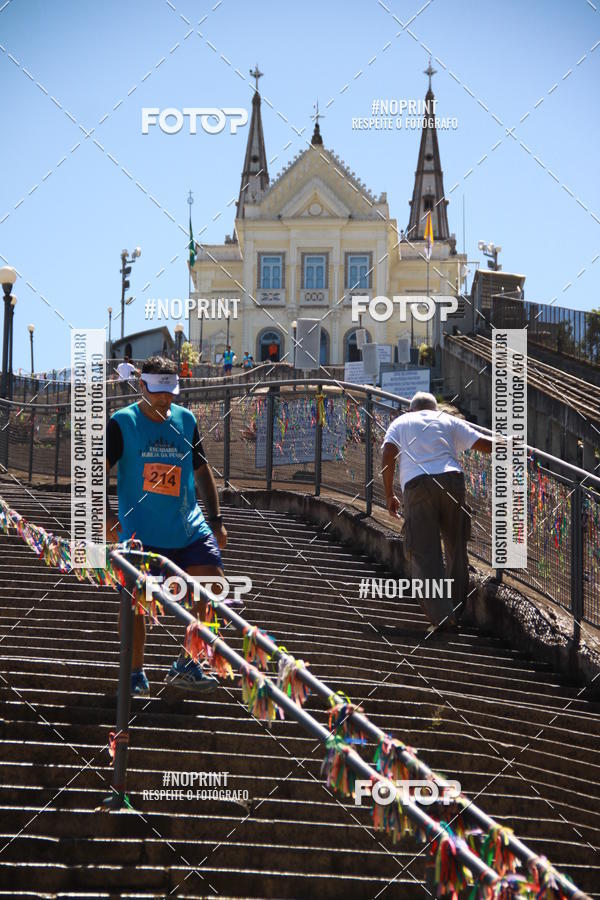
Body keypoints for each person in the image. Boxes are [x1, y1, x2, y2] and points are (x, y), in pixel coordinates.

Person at [105, 355, 228, 697]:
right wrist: (104, 515)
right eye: (157, 391)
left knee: (212, 587)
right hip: (140, 533)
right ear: (141, 386)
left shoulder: (186, 421)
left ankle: (189, 664)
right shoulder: (122, 423)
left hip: (188, 526)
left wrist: (216, 520)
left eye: (169, 391)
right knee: (136, 602)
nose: (164, 398)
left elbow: (202, 472)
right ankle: (133, 672)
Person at [381, 392, 492, 633]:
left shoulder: (401, 422)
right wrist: (511, 446)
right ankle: (455, 608)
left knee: (424, 552)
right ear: (434, 408)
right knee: (456, 547)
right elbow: (482, 444)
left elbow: (388, 453)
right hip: (453, 480)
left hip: (418, 486)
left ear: (412, 409)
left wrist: (389, 494)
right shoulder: (447, 420)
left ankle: (443, 615)